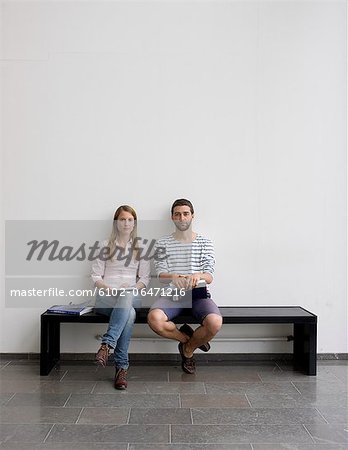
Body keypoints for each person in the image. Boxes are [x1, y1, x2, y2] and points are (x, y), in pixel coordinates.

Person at [147, 198, 222, 374]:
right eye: (177, 214)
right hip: (172, 296)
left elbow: (209, 276)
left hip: (198, 296)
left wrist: (197, 276)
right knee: (154, 319)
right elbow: (161, 276)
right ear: (172, 217)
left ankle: (187, 350)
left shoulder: (205, 242)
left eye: (185, 214)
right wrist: (174, 277)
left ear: (192, 216)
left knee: (215, 322)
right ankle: (186, 338)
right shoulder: (162, 243)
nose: (182, 218)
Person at [91, 205, 150, 389]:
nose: (126, 223)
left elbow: (145, 279)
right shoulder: (103, 245)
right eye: (122, 219)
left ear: (134, 223)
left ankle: (106, 346)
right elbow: (95, 277)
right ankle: (121, 368)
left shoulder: (141, 247)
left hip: (131, 295)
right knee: (129, 314)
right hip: (106, 298)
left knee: (127, 297)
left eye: (130, 220)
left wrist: (131, 288)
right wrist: (109, 289)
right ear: (116, 223)